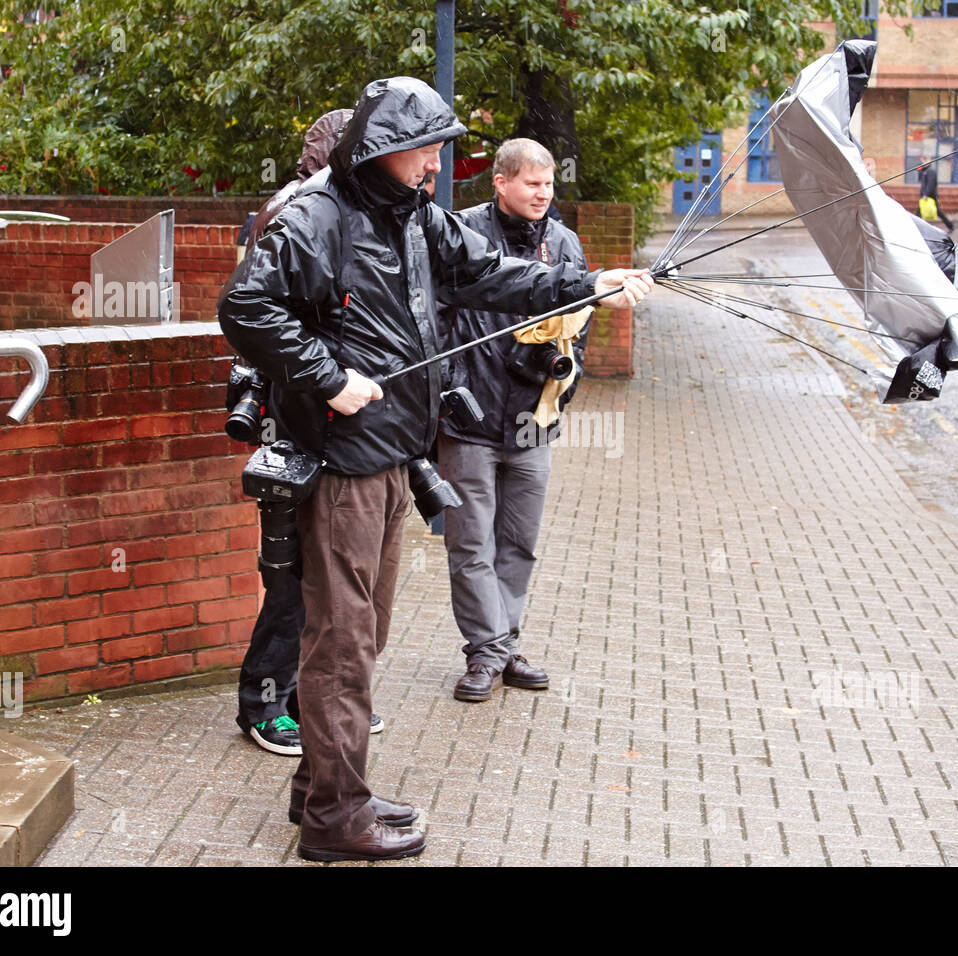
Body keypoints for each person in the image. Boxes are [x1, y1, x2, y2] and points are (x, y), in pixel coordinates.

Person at [219, 76, 652, 862]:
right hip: (343, 461)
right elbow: (248, 308)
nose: (433, 165)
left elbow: (492, 274)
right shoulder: (320, 216)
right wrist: (328, 378)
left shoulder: (417, 219)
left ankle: (323, 790)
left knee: (366, 632)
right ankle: (333, 818)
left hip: (394, 454)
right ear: (385, 148)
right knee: (343, 640)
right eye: (424, 150)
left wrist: (588, 281)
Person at [231, 108, 397, 757]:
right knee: (294, 570)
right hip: (300, 414)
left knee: (329, 574)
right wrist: (326, 378)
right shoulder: (299, 211)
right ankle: (265, 703)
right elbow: (259, 315)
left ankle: (317, 697)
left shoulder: (340, 209)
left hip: (334, 416)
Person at [435, 138, 588, 702]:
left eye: (549, 184)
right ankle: (486, 651)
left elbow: (581, 327)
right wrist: (451, 390)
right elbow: (435, 320)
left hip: (532, 422)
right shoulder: (462, 235)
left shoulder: (565, 243)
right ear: (500, 182)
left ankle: (503, 642)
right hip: (469, 420)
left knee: (519, 543)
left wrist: (561, 387)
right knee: (470, 544)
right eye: (532, 183)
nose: (543, 193)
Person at [918, 159, 954, 232]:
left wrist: (926, 194)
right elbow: (921, 181)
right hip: (926, 196)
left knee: (937, 212)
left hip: (930, 196)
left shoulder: (930, 171)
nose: (922, 164)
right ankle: (950, 225)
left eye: (924, 162)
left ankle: (950, 226)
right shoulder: (925, 171)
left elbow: (931, 184)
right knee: (919, 212)